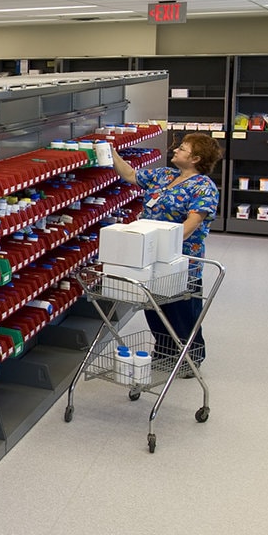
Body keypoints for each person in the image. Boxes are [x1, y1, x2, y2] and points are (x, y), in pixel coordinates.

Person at [112, 132, 221, 374]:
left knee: (182, 310)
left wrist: (163, 246)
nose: (176, 149)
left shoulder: (204, 187)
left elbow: (192, 222)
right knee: (154, 306)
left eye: (183, 148)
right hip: (150, 258)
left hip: (181, 261)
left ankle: (191, 357)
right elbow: (131, 174)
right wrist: (112, 154)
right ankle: (164, 351)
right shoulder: (163, 175)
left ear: (196, 158)